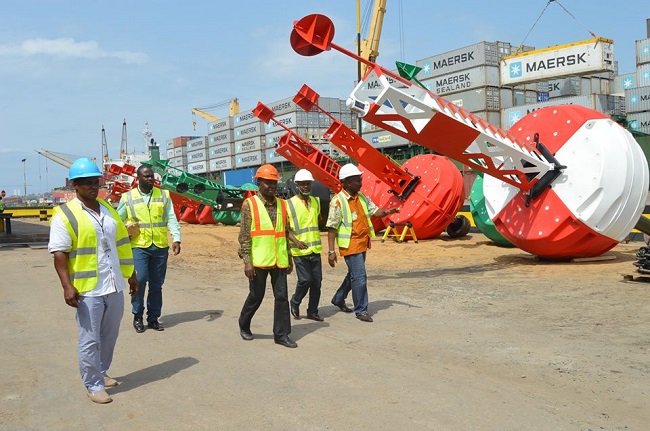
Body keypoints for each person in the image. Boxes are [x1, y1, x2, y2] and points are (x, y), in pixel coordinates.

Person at [49, 158, 138, 404]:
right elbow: (59, 254)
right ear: (74, 185)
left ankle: (102, 370)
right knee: (90, 339)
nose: (92, 186)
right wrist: (67, 286)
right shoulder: (64, 214)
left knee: (110, 335)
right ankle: (93, 384)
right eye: (86, 182)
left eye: (95, 181)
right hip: (88, 289)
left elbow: (121, 244)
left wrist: (132, 275)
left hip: (114, 283)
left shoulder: (108, 209)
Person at [326, 163, 400, 323]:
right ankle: (361, 310)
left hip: (363, 242)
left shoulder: (362, 197)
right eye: (356, 180)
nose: (360, 183)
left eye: (360, 179)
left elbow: (375, 211)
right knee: (360, 277)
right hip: (350, 244)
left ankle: (338, 298)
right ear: (345, 182)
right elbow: (331, 228)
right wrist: (330, 252)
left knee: (353, 275)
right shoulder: (337, 202)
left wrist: (387, 211)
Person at [238, 164, 297, 348]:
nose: (272, 186)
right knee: (257, 296)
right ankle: (244, 323)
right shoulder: (250, 205)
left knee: (282, 297)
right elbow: (245, 236)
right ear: (259, 182)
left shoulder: (282, 204)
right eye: (268, 182)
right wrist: (247, 262)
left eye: (274, 183)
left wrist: (289, 257)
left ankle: (281, 334)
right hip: (259, 260)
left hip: (279, 259)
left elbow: (284, 233)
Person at [117, 164, 181, 333]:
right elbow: (117, 222)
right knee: (140, 280)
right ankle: (137, 316)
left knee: (156, 284)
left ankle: (153, 318)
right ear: (138, 178)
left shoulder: (164, 195)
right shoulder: (127, 198)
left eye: (152, 176)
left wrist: (176, 238)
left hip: (160, 246)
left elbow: (171, 218)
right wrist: (126, 230)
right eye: (146, 176)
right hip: (139, 247)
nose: (150, 178)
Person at [287, 169, 324, 322]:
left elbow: (318, 220)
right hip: (299, 250)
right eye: (302, 184)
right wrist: (295, 241)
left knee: (317, 282)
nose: (306, 187)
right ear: (297, 185)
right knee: (305, 280)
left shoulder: (316, 202)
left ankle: (312, 311)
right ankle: (295, 302)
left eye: (308, 184)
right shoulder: (288, 204)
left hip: (315, 249)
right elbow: (285, 228)